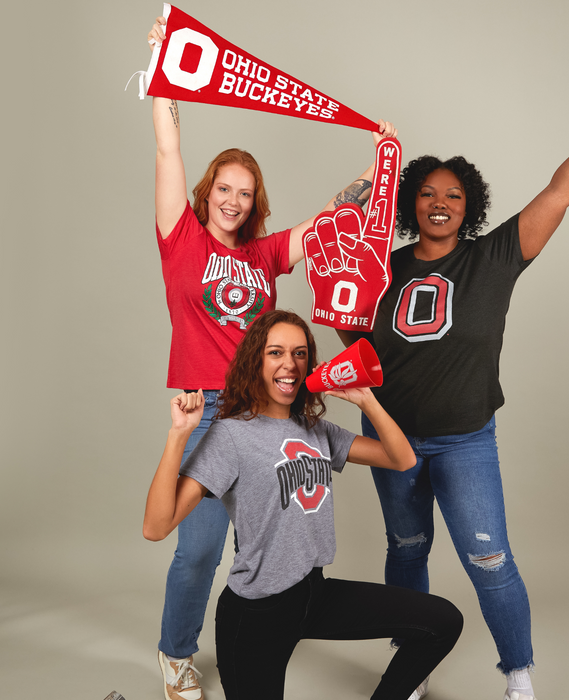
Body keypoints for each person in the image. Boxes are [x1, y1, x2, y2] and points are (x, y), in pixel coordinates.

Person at [337, 81, 569, 700]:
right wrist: (357, 193)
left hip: (464, 439)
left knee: (489, 559)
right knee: (406, 548)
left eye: (453, 195)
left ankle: (517, 671)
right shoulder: (378, 264)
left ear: (469, 206)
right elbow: (352, 339)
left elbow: (561, 192)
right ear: (409, 204)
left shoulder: (495, 257)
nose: (439, 203)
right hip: (390, 435)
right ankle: (414, 665)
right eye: (426, 192)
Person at [145, 16, 398, 700]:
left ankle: (261, 633)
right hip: (205, 415)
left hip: (264, 419)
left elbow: (327, 225)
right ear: (207, 193)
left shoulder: (261, 255)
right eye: (223, 188)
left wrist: (377, 167)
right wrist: (165, 92)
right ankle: (175, 653)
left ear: (255, 202)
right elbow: (168, 157)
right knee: (197, 547)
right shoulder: (183, 241)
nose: (233, 199)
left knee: (265, 548)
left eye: (245, 192)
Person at [143, 310, 464, 700]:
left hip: (315, 595)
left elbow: (402, 459)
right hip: (256, 613)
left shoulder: (317, 430)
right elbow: (156, 527)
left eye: (299, 353)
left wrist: (367, 400)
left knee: (443, 621)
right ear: (254, 362)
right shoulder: (230, 434)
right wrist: (179, 435)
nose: (289, 364)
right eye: (275, 352)